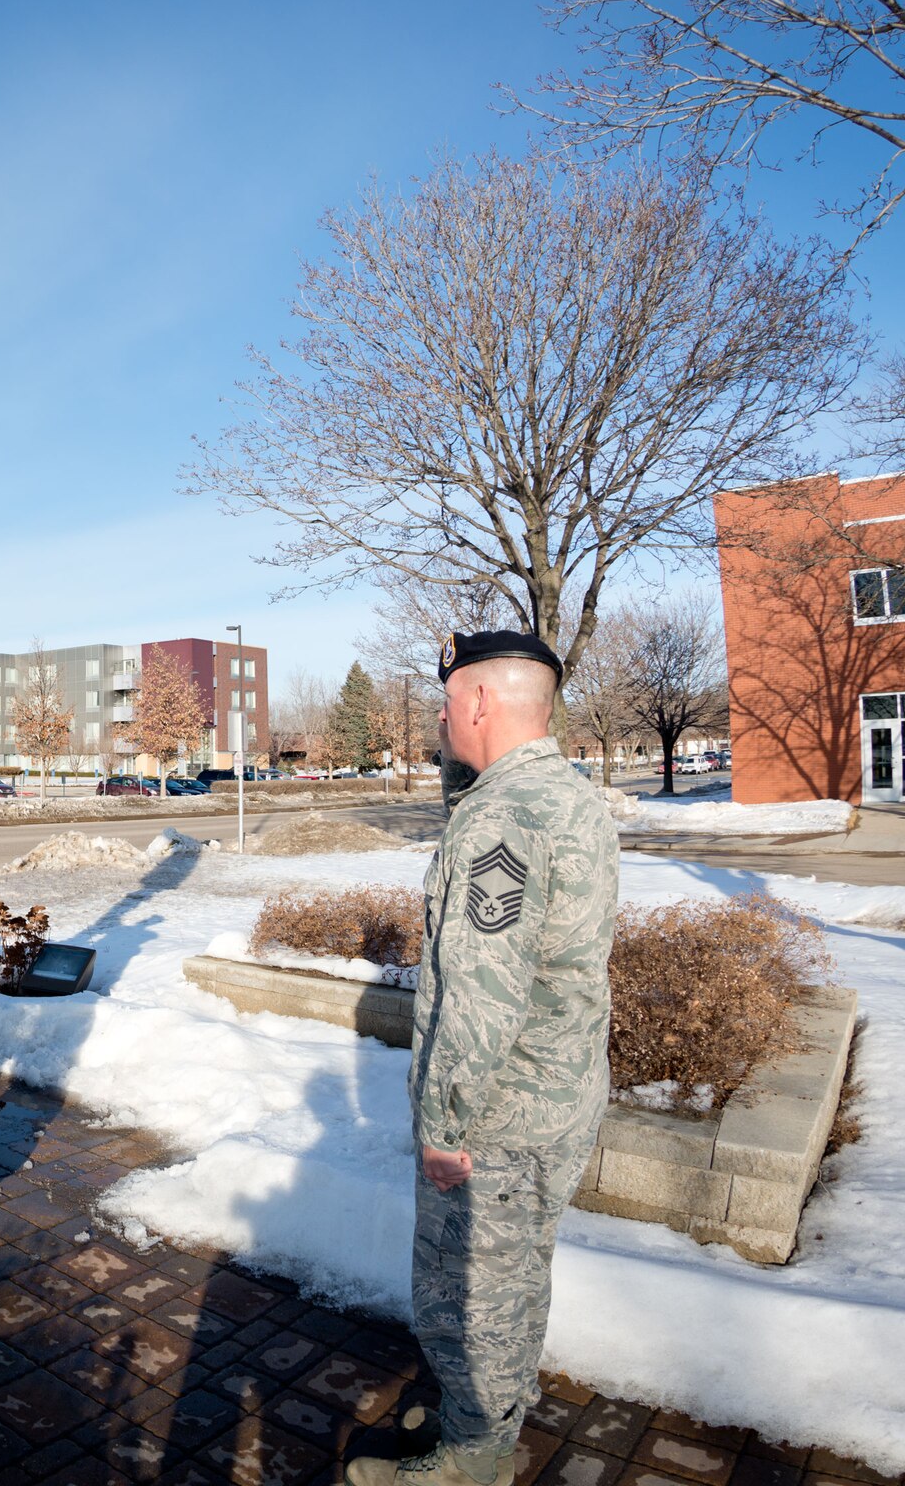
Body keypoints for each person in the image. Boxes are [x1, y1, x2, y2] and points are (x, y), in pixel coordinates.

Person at [349, 630, 615, 1486]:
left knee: (471, 1296)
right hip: (557, 1094)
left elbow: (478, 996)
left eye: (444, 700)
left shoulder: (499, 820)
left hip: (498, 1113)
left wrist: (444, 1124)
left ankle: (472, 1459)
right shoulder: (569, 797)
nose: (437, 716)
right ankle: (483, 1413)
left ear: (477, 703)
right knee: (515, 1276)